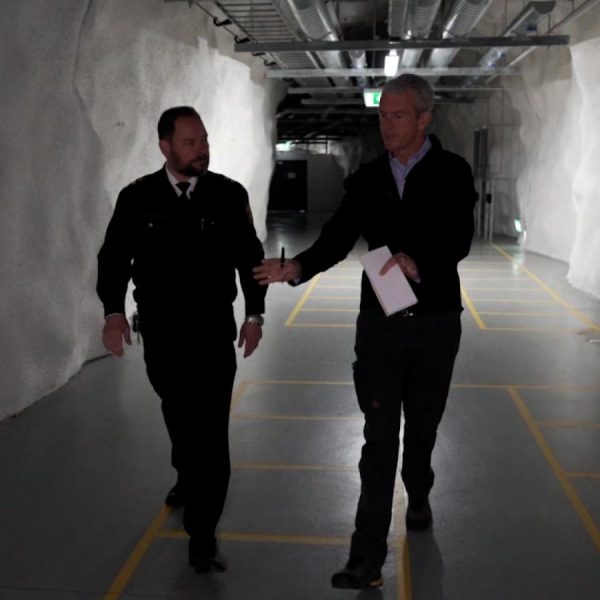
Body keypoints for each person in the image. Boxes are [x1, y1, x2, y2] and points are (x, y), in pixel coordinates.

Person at [254, 74, 476, 590]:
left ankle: (418, 488)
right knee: (378, 439)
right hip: (380, 323)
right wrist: (298, 267)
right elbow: (338, 236)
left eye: (398, 116)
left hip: (436, 323)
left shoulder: (452, 172)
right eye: (382, 116)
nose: (387, 126)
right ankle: (366, 557)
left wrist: (420, 263)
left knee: (421, 429)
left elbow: (460, 238)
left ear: (424, 118)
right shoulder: (370, 177)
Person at [96, 106, 266, 573]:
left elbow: (250, 257)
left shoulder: (228, 195)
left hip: (213, 333)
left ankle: (202, 536)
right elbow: (113, 258)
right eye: (190, 143)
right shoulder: (138, 198)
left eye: (204, 140)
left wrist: (255, 314)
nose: (201, 150)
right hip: (163, 335)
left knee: (210, 433)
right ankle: (187, 474)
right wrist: (113, 312)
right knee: (178, 414)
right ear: (165, 146)